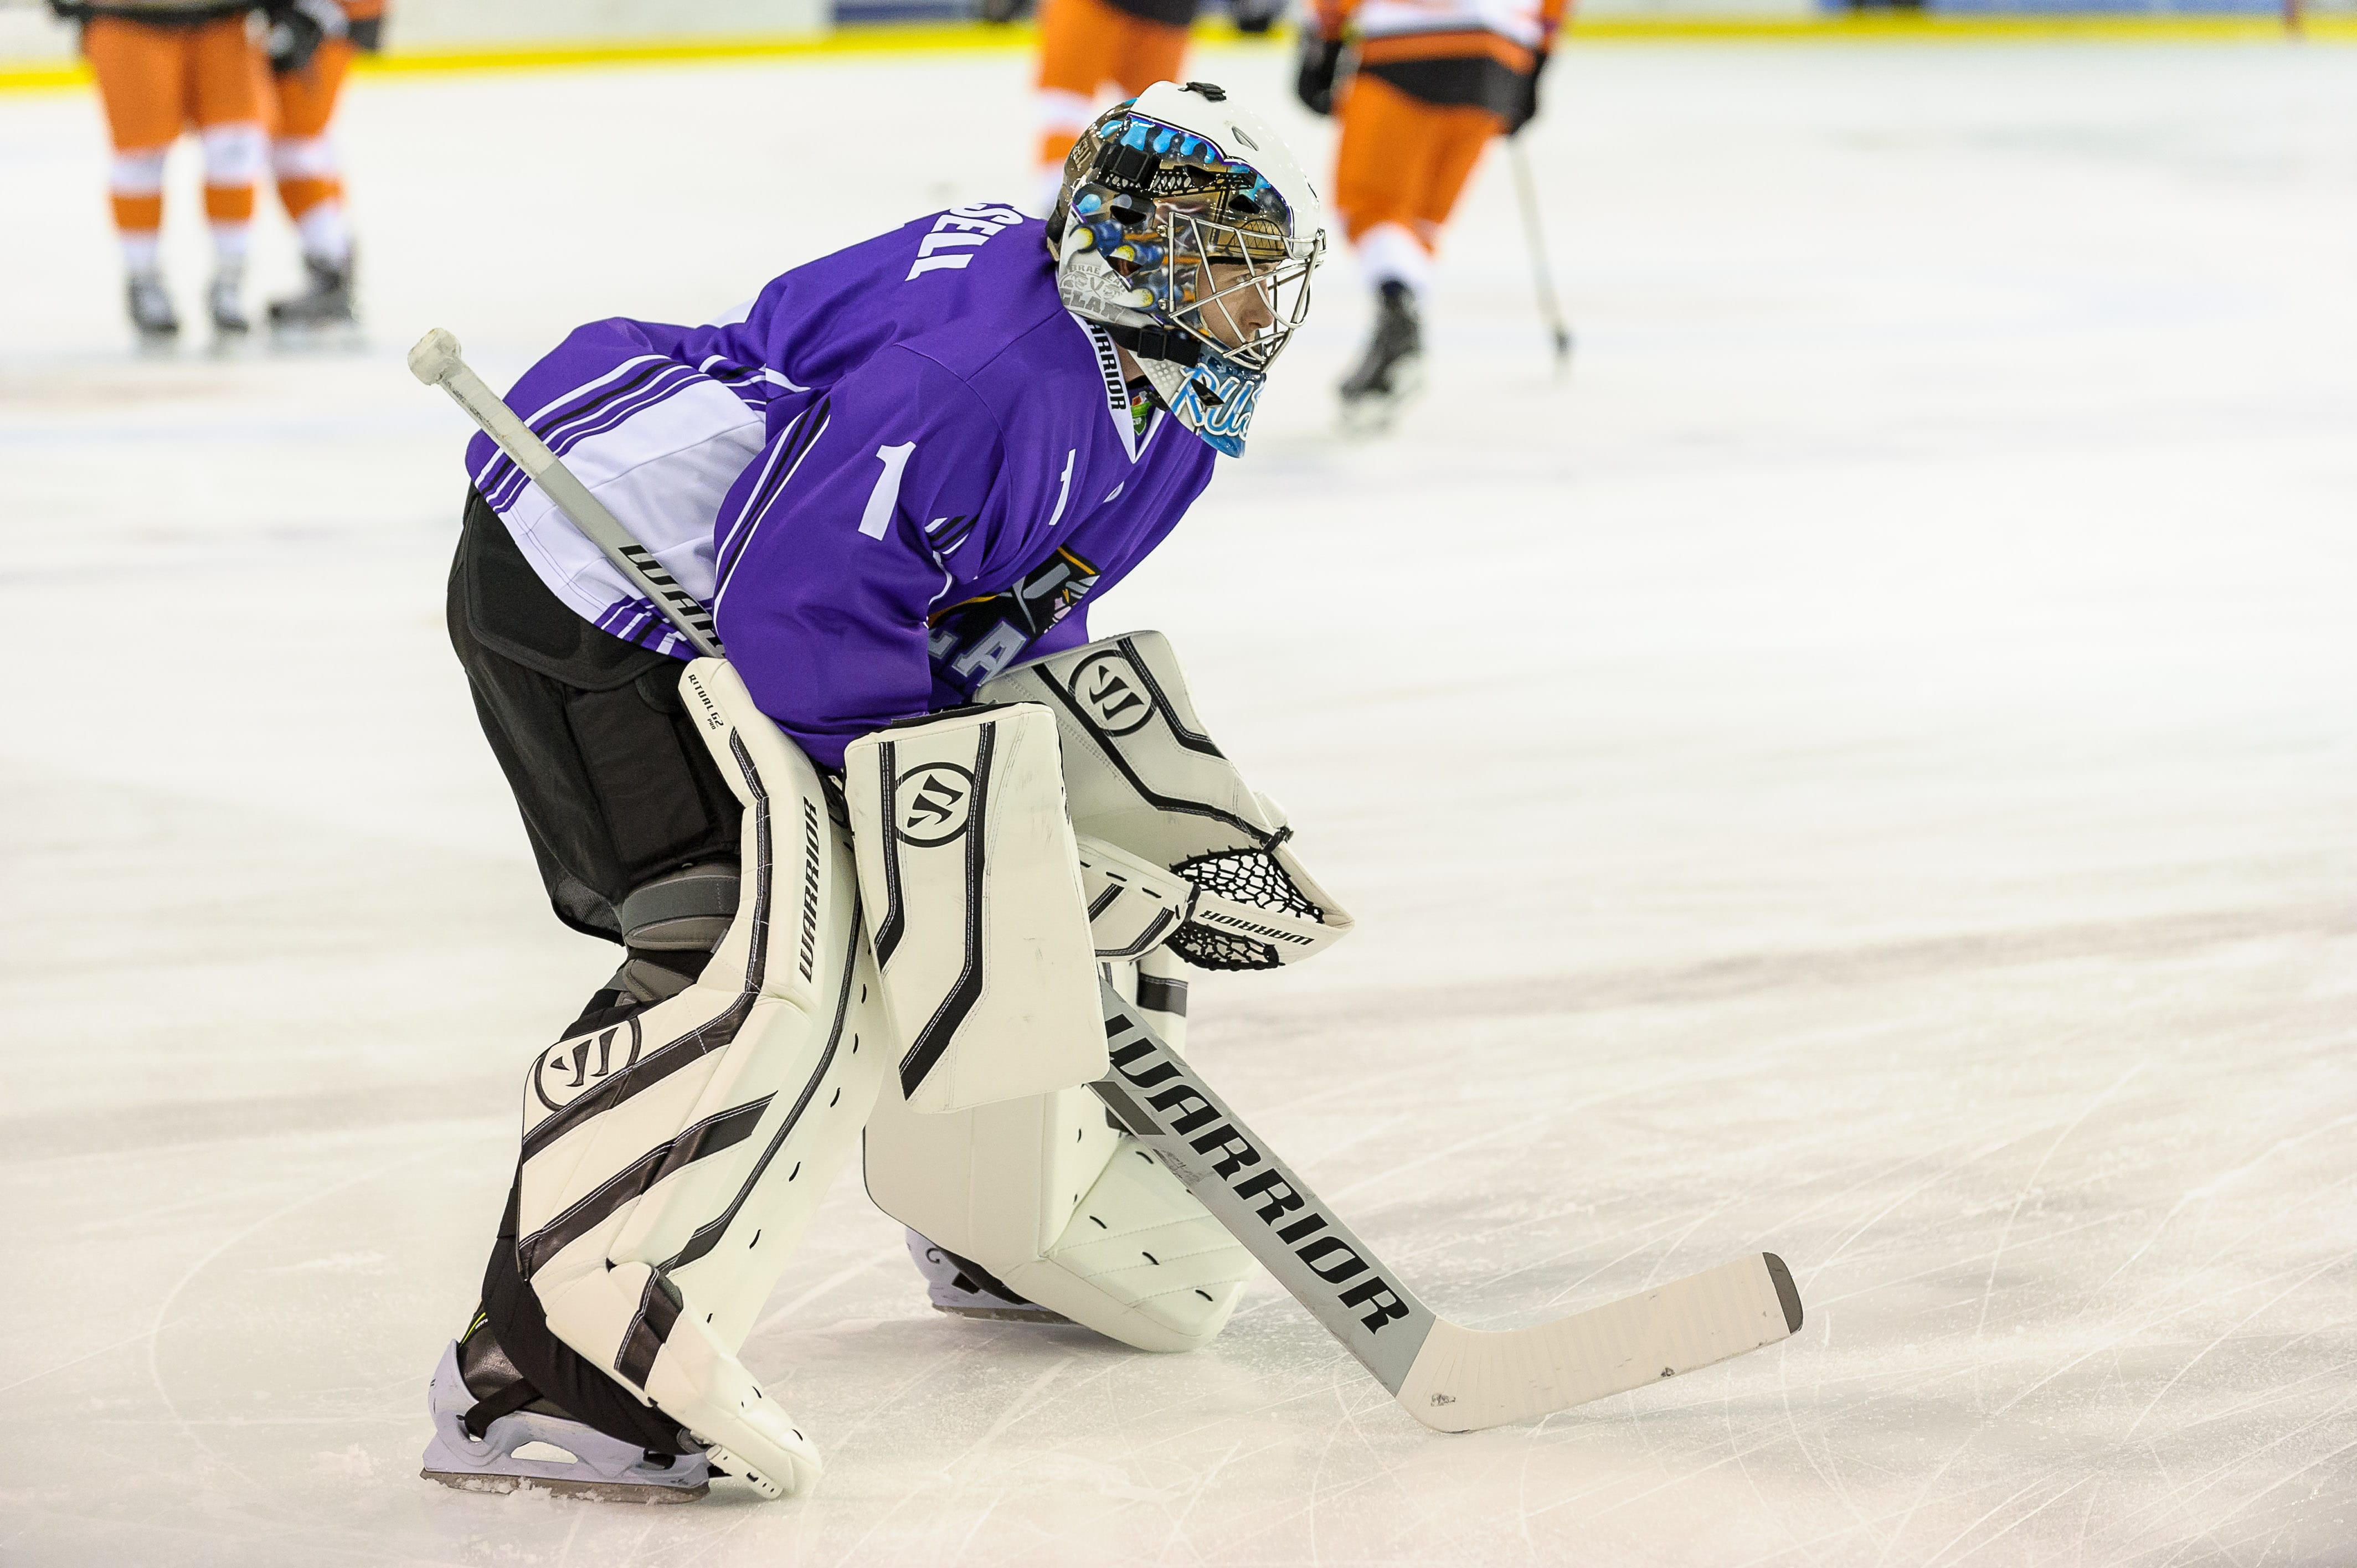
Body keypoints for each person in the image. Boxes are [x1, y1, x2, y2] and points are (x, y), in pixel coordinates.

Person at [419, 82, 1342, 1504]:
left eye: (1263, 269)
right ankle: (537, 1365)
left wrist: (1109, 826)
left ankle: (1002, 1219)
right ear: (1133, 245)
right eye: (1225, 262)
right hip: (594, 581)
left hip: (768, 588)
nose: (1252, 304)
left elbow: (1011, 608)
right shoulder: (980, 374)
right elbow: (802, 611)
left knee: (980, 862)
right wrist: (939, 806)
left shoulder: (1158, 399)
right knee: (730, 938)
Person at [1296, 0, 1568, 426]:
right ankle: (1394, 345)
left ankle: (1399, 322)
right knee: (1420, 221)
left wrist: (1325, 41)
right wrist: (1537, 63)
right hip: (1499, 57)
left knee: (1373, 208)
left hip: (1404, 45)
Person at [51, 0, 276, 341]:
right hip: (128, 18)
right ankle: (143, 278)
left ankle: (230, 280)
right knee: (141, 155)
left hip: (228, 18)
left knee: (235, 148)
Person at [1026, 0, 1280, 213]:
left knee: (1153, 124)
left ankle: (1120, 209)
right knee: (1068, 107)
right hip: (1111, 10)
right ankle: (1059, 202)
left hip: (1165, 15)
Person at [262, 0, 384, 329]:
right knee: (304, 140)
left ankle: (331, 269)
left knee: (297, 140)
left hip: (324, 15)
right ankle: (333, 266)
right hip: (326, 14)